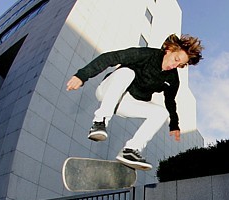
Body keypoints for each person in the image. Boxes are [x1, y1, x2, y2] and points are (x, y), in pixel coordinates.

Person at [66, 34, 203, 170]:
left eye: (179, 65)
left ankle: (131, 150)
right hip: (108, 92)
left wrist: (174, 124)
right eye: (175, 59)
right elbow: (110, 58)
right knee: (127, 73)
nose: (174, 65)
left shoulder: (172, 78)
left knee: (161, 112)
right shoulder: (146, 55)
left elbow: (170, 101)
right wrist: (82, 76)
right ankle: (99, 122)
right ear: (169, 49)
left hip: (127, 104)